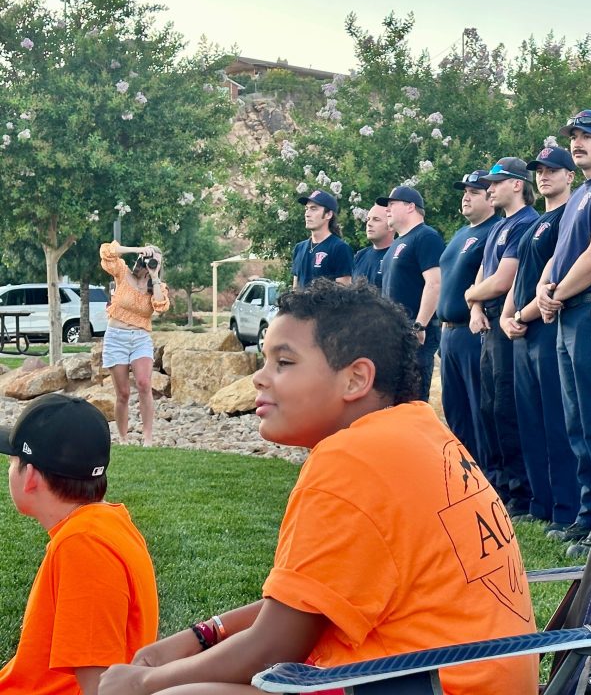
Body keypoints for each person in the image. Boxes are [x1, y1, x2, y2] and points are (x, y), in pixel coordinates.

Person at [98, 281, 537, 695]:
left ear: (355, 379)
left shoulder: (351, 461)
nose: (261, 378)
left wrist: (141, 684)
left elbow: (274, 647)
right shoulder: (417, 428)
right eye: (266, 360)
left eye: (284, 363)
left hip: (426, 682)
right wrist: (201, 635)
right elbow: (305, 607)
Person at [0, 393, 159, 695]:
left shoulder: (84, 546)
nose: (9, 470)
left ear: (30, 477)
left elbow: (100, 687)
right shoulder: (108, 523)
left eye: (12, 461)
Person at [535, 110, 591, 551]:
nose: (578, 142)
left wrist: (557, 294)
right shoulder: (580, 195)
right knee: (576, 421)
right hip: (567, 310)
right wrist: (543, 287)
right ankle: (586, 516)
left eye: (589, 135)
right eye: (575, 136)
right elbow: (559, 254)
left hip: (589, 311)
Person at [499, 145, 578, 530]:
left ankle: (566, 509)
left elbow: (555, 277)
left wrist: (522, 313)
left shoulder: (569, 216)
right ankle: (540, 502)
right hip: (522, 329)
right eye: (539, 170)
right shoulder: (534, 224)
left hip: (547, 325)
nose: (544, 175)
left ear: (569, 176)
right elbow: (520, 275)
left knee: (555, 421)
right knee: (529, 420)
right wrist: (506, 314)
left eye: (552, 169)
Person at [464, 158, 539, 517]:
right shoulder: (498, 226)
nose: (489, 189)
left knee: (508, 408)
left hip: (509, 325)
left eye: (497, 182)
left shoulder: (526, 223)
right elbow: (482, 273)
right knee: (488, 407)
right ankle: (498, 485)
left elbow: (503, 279)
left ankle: (521, 493)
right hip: (488, 321)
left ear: (517, 185)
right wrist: (475, 306)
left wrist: (470, 296)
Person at [437, 170, 500, 458]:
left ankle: (487, 478)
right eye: (465, 191)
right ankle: (461, 477)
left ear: (492, 197)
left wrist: (474, 305)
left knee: (480, 412)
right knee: (455, 411)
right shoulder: (461, 234)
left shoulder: (494, 230)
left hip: (474, 330)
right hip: (449, 333)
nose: (466, 197)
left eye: (474, 192)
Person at [378, 184, 445, 402]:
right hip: (392, 335)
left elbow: (435, 283)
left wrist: (420, 324)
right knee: (394, 402)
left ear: (410, 207)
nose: (386, 209)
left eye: (391, 204)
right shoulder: (396, 243)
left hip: (416, 335)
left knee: (412, 401)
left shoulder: (426, 237)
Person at [99, 241, 170, 445]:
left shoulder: (157, 287)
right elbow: (107, 251)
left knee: (144, 384)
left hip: (140, 338)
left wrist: (154, 277)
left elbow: (160, 306)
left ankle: (148, 438)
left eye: (156, 261)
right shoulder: (123, 273)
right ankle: (123, 438)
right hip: (116, 337)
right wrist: (136, 250)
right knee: (123, 393)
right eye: (149, 258)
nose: (152, 263)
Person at [291, 189, 354, 289]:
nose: (307, 214)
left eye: (313, 208)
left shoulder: (340, 248)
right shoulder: (299, 248)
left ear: (328, 214)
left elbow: (344, 295)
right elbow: (295, 288)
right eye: (306, 209)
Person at [352, 203, 394, 289]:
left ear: (391, 226)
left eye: (376, 219)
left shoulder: (398, 255)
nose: (369, 224)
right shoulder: (359, 256)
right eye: (368, 219)